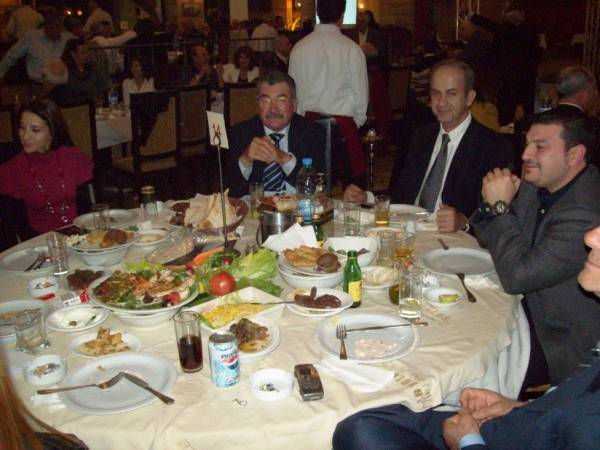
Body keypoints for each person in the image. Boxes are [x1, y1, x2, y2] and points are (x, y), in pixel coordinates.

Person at [333, 222, 600, 450]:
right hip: (522, 425)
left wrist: (468, 440)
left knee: (360, 433)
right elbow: (572, 407)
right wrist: (517, 407)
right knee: (363, 420)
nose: (590, 237)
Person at [471, 110, 600, 388]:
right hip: (518, 307)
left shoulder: (584, 214)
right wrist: (492, 206)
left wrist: (500, 207)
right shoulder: (539, 182)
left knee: (469, 363)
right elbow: (488, 236)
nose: (525, 154)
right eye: (527, 143)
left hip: (553, 340)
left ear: (574, 155)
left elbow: (516, 277)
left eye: (540, 147)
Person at [344, 59, 514, 232]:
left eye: (451, 93)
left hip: (453, 241)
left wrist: (464, 222)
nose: (441, 102)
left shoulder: (493, 147)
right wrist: (367, 197)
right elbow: (401, 193)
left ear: (469, 97)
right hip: (407, 230)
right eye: (435, 93)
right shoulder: (419, 136)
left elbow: (499, 209)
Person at [289, 0, 369, 185]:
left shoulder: (299, 48)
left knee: (311, 188)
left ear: (318, 14)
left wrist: (299, 126)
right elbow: (361, 97)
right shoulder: (352, 49)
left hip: (309, 126)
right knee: (351, 192)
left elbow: (293, 95)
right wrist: (355, 123)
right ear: (342, 16)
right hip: (342, 127)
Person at [225, 71, 326, 198]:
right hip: (254, 207)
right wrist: (245, 161)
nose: (273, 109)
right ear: (258, 105)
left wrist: (285, 159)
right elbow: (228, 191)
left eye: (281, 100)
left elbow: (317, 188)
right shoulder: (239, 133)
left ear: (294, 105)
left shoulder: (313, 132)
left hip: (299, 206)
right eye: (266, 100)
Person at [0, 99, 93, 234]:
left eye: (35, 130)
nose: (25, 136)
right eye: (22, 128)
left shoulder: (71, 157)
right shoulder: (16, 167)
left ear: (52, 132)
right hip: (40, 238)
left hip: (79, 231)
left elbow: (86, 203)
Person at [467, 1, 541, 125]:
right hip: (527, 79)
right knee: (528, 114)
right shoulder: (531, 32)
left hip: (509, 79)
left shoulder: (506, 30)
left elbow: (492, 29)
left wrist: (474, 17)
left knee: (505, 114)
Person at [515, 65, 600, 167]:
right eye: (594, 89)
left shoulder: (527, 122)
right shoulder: (594, 128)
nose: (596, 93)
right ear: (584, 93)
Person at [0, 7, 74, 84]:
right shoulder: (31, 38)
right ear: (46, 25)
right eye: (54, 25)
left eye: (59, 25)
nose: (59, 29)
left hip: (64, 83)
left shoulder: (68, 38)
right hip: (39, 83)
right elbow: (11, 56)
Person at [47, 37, 110, 105]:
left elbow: (104, 85)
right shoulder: (64, 69)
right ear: (73, 54)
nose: (87, 55)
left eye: (88, 52)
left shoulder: (92, 66)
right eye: (83, 53)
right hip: (73, 106)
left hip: (94, 104)